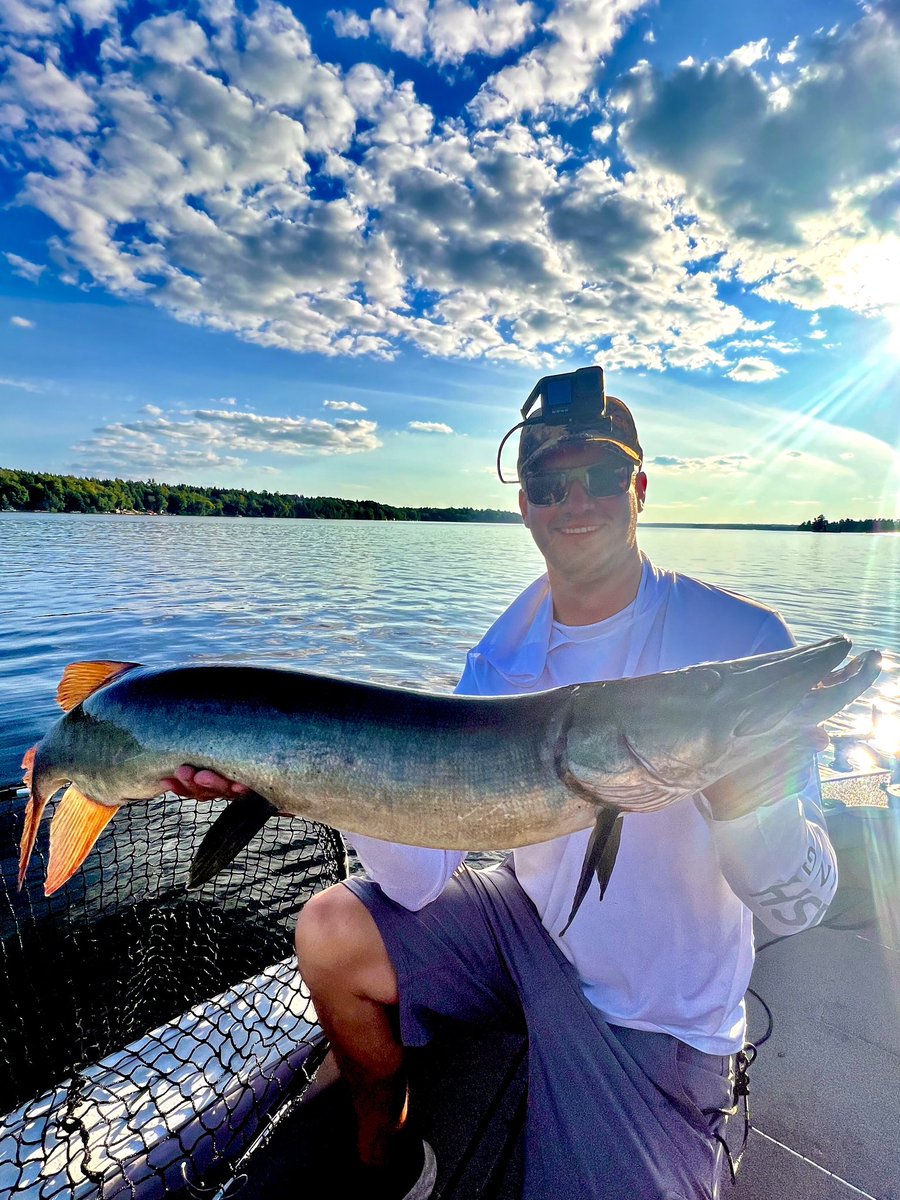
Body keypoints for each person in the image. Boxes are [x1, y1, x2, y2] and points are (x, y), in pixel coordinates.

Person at [163, 368, 837, 1200]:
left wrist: (745, 806)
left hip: (657, 1020)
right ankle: (390, 1149)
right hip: (528, 933)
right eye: (551, 484)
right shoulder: (501, 656)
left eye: (601, 476)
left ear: (641, 487)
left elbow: (799, 904)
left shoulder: (739, 640)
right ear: (526, 505)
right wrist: (307, 776)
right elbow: (415, 881)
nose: (576, 501)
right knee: (336, 927)